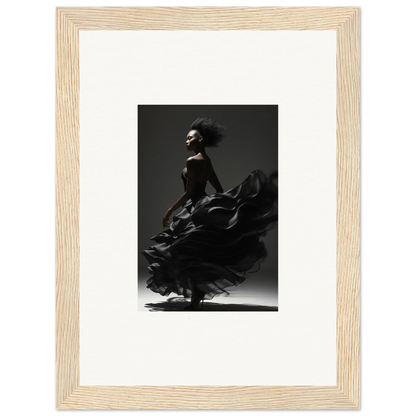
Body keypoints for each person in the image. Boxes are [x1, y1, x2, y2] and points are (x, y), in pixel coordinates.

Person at [141, 117, 278, 311]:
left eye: (190, 138)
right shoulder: (207, 161)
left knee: (184, 251)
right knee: (194, 252)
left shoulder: (192, 161)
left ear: (201, 139)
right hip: (202, 206)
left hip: (196, 208)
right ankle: (197, 295)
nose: (186, 141)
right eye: (186, 138)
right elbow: (219, 188)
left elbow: (189, 192)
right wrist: (222, 206)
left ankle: (196, 296)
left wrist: (170, 210)